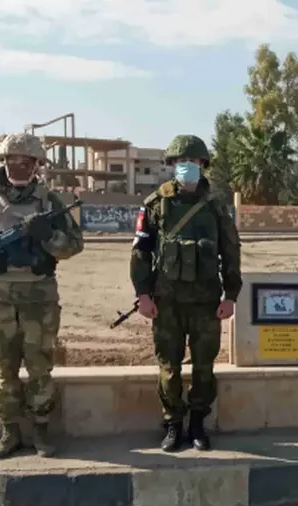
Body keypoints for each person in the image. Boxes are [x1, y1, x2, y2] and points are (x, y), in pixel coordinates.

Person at [0, 132, 84, 459]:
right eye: (13, 160)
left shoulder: (50, 202)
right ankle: (9, 434)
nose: (20, 167)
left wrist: (49, 236)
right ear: (4, 161)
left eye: (27, 162)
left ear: (37, 165)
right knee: (4, 370)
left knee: (40, 369)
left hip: (39, 297)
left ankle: (40, 432)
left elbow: (74, 245)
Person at [129, 134, 242, 452]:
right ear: (171, 165)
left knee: (204, 368)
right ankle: (172, 424)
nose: (187, 167)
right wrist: (144, 294)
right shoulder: (155, 205)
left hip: (206, 303)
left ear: (203, 165)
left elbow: (231, 252)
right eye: (181, 162)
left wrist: (230, 296)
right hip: (167, 303)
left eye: (192, 162)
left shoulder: (217, 207)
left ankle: (197, 425)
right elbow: (140, 252)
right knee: (169, 367)